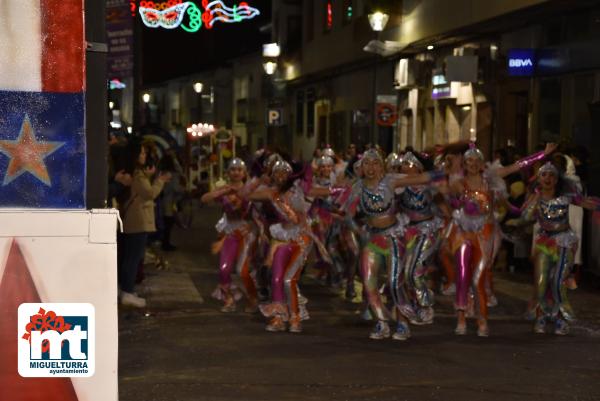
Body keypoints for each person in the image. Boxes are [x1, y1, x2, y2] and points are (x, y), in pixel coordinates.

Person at [445, 142, 557, 337]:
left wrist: (542, 154)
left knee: (478, 277)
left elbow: (519, 165)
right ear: (464, 164)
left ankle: (482, 320)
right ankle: (461, 318)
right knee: (462, 274)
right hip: (463, 232)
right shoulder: (457, 184)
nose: (472, 164)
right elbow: (445, 198)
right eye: (468, 160)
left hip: (485, 233)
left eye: (476, 160)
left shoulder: (491, 179)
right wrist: (454, 200)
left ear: (482, 164)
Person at [344, 149, 445, 340]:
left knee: (394, 283)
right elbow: (348, 215)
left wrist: (442, 173)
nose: (371, 167)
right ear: (361, 168)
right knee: (368, 283)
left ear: (381, 166)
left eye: (375, 163)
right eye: (367, 163)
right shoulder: (358, 187)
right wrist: (359, 231)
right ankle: (381, 323)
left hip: (393, 239)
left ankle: (403, 323)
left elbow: (419, 179)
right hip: (371, 240)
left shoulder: (391, 181)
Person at [507, 161, 600, 335]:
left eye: (551, 175)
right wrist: (513, 220)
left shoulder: (566, 197)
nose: (547, 178)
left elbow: (588, 203)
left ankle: (560, 319)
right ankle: (542, 316)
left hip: (564, 242)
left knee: (557, 282)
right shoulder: (536, 199)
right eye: (544, 175)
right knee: (541, 283)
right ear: (539, 179)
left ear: (557, 180)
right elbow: (525, 217)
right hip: (544, 243)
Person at [117, 141, 171, 308]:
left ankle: (126, 290)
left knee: (129, 256)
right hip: (138, 221)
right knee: (133, 257)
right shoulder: (137, 174)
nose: (144, 156)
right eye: (141, 153)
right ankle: (127, 291)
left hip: (132, 220)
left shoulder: (135, 174)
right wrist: (160, 180)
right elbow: (149, 193)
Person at [201, 158, 258, 313]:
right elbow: (204, 199)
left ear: (244, 173)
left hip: (246, 232)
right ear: (228, 172)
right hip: (230, 233)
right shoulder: (224, 189)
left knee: (242, 270)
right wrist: (223, 191)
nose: (236, 172)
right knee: (224, 269)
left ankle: (253, 298)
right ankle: (229, 299)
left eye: (239, 170)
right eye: (232, 169)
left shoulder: (250, 189)